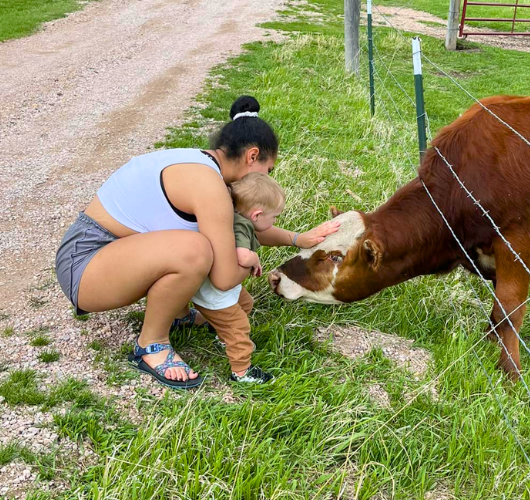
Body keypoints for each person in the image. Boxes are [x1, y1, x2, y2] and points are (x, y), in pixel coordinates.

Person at [54, 95, 340, 389]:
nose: (268, 177)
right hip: (85, 266)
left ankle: (177, 313)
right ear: (252, 156)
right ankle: (151, 344)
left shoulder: (208, 168)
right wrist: (250, 261)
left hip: (104, 258)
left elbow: (245, 227)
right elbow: (226, 277)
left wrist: (298, 239)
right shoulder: (209, 185)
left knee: (204, 247)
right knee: (197, 251)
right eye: (270, 169)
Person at [192, 172, 285, 385]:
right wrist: (254, 258)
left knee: (246, 303)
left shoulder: (232, 217)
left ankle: (221, 333)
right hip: (217, 296)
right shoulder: (241, 226)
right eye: (274, 217)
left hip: (213, 288)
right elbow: (242, 256)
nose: (275, 221)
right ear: (257, 215)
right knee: (239, 329)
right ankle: (242, 371)